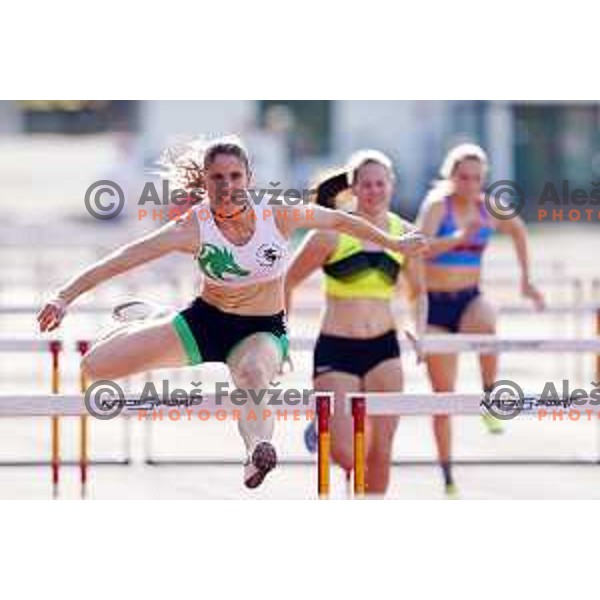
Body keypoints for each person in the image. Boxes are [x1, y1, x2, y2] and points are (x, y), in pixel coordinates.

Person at [37, 136, 427, 490]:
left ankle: (257, 450)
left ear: (249, 177)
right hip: (205, 322)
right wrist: (64, 296)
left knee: (254, 375)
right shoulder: (193, 226)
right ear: (204, 182)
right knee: (95, 367)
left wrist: (393, 241)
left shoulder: (277, 214)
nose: (226, 187)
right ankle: (153, 317)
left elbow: (342, 220)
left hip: (261, 329)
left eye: (234, 176)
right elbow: (126, 257)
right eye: (217, 178)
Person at [286, 150, 427, 495]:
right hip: (337, 348)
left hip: (384, 349)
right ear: (353, 187)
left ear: (391, 186)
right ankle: (327, 431)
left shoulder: (404, 234)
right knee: (347, 453)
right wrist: (281, 336)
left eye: (381, 184)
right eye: (367, 184)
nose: (374, 191)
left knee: (380, 453)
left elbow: (418, 293)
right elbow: (285, 282)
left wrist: (418, 327)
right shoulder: (330, 232)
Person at [417, 143, 545, 497]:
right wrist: (459, 238)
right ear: (451, 176)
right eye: (463, 177)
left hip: (469, 298)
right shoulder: (436, 206)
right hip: (436, 306)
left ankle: (490, 395)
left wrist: (526, 280)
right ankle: (447, 475)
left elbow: (519, 231)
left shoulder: (488, 206)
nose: (470, 184)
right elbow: (420, 248)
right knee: (443, 396)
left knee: (488, 319)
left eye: (477, 178)